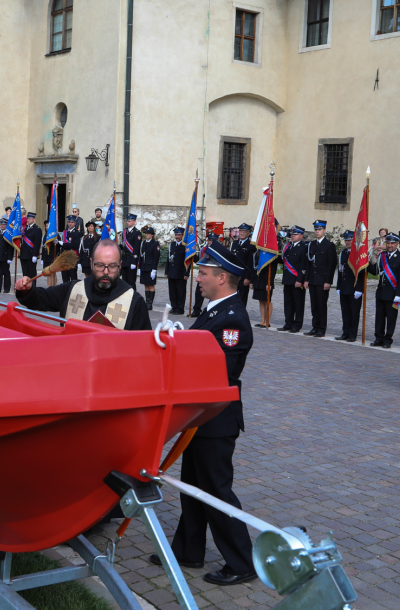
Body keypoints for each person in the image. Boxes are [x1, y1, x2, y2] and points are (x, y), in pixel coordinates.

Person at [150, 242, 257, 587]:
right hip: (200, 414)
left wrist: (180, 346)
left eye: (205, 273)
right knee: (193, 487)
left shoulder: (233, 319)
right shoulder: (214, 310)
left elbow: (219, 369)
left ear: (222, 278)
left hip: (216, 417)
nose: (199, 278)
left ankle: (241, 561)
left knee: (216, 491)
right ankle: (188, 550)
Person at [14, 239, 151, 330]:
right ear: (91, 263)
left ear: (120, 265)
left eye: (112, 266)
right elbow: (41, 299)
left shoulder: (134, 302)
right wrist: (27, 289)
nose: (105, 272)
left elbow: (143, 346)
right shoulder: (73, 290)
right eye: (100, 265)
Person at [368, 232, 400, 348]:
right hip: (381, 292)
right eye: (388, 243)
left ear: (397, 244)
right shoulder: (382, 256)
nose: (390, 245)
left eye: (392, 243)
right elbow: (376, 271)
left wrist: (399, 294)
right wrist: (366, 263)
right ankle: (378, 338)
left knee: (391, 318)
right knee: (379, 317)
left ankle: (387, 339)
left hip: (393, 293)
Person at [304, 220, 337, 337]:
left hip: (322, 280)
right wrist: (306, 279)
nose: (317, 232)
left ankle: (321, 328)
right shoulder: (312, 245)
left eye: (319, 230)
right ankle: (315, 326)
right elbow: (308, 263)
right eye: (316, 230)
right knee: (314, 305)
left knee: (321, 305)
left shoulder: (329, 245)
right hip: (313, 279)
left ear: (324, 230)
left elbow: (331, 265)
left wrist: (328, 281)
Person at [277, 226, 308, 333]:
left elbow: (303, 265)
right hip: (287, 279)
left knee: (298, 303)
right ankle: (288, 323)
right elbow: (283, 260)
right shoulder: (288, 246)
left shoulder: (304, 247)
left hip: (297, 280)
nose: (293, 236)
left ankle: (297, 324)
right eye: (292, 234)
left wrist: (300, 280)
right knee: (288, 303)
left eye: (295, 234)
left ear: (301, 236)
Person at [335, 230, 364, 342]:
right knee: (345, 312)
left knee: (354, 313)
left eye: (349, 240)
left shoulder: (359, 254)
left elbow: (361, 273)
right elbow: (341, 271)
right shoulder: (343, 253)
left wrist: (359, 289)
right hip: (344, 287)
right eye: (346, 240)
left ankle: (352, 334)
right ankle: (345, 332)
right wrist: (338, 286)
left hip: (355, 288)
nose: (347, 242)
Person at [232, 224, 255, 309]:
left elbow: (250, 263)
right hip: (234, 275)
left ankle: (240, 314)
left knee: (242, 297)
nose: (242, 233)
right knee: (232, 296)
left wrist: (247, 277)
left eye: (244, 232)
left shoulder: (251, 245)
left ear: (248, 234)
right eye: (241, 231)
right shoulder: (234, 244)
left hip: (243, 276)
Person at [166, 227, 188, 315]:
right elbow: (168, 259)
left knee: (180, 292)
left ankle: (180, 308)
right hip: (172, 272)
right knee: (172, 292)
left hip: (180, 273)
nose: (177, 236)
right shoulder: (172, 245)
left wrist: (186, 273)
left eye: (179, 234)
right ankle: (174, 307)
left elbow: (188, 261)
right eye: (176, 234)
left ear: (182, 235)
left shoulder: (185, 246)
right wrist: (166, 271)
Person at [139, 226, 160, 310]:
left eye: (148, 234)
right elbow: (140, 256)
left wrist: (154, 269)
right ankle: (147, 301)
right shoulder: (143, 243)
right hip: (144, 267)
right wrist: (139, 267)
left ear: (152, 235)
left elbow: (156, 257)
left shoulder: (155, 243)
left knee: (151, 285)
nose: (147, 235)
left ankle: (150, 303)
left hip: (150, 267)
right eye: (146, 233)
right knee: (146, 285)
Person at [19, 211, 42, 287]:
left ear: (34, 219)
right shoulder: (24, 229)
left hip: (31, 254)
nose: (28, 220)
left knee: (32, 273)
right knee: (24, 272)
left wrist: (35, 255)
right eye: (28, 218)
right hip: (23, 254)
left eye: (30, 219)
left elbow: (37, 243)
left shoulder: (37, 229)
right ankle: (26, 285)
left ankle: (33, 286)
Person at [119, 214, 142, 287]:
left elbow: (137, 248)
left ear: (134, 221)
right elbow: (123, 245)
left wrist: (134, 262)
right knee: (124, 280)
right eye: (127, 220)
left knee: (131, 281)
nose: (127, 222)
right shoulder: (124, 232)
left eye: (129, 220)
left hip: (131, 259)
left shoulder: (137, 233)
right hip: (124, 258)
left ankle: (133, 297)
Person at [60, 215, 83, 283]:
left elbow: (75, 245)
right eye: (69, 222)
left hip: (72, 257)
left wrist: (63, 244)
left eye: (72, 222)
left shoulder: (77, 233)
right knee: (65, 277)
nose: (70, 223)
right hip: (64, 257)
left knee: (73, 277)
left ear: (75, 223)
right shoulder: (64, 233)